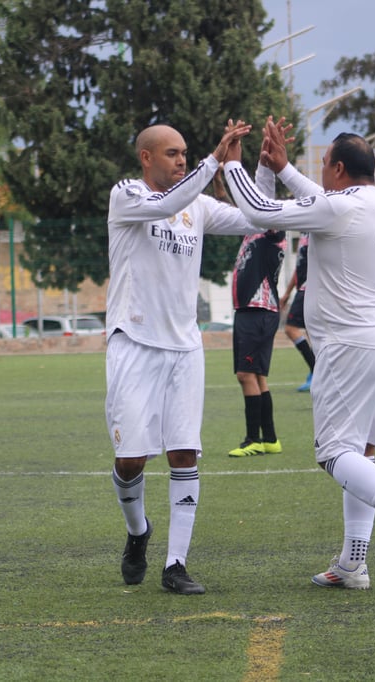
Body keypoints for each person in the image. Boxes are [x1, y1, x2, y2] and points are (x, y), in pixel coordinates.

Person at [222, 118, 375, 586]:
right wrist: (283, 168)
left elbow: (261, 212)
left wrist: (233, 165)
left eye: (323, 164)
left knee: (334, 454)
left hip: (352, 345)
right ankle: (353, 563)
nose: (318, 171)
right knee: (360, 452)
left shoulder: (338, 207)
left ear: (339, 169)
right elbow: (324, 203)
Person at [106, 120, 265, 595]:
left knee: (184, 453)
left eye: (186, 153)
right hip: (133, 343)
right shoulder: (127, 195)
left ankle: (175, 564)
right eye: (172, 153)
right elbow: (169, 202)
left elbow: (257, 218)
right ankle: (138, 533)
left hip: (185, 347)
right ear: (146, 158)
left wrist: (263, 170)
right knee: (131, 459)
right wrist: (213, 161)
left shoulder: (195, 203)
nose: (181, 160)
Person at [227, 215, 286, 457]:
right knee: (258, 377)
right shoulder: (251, 231)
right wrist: (220, 182)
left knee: (245, 374)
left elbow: (272, 222)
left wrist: (265, 204)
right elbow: (231, 208)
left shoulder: (271, 234)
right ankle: (270, 439)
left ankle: (253, 439)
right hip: (250, 311)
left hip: (257, 309)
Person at [279, 234, 315, 392]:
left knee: (290, 328)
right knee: (313, 333)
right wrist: (287, 293)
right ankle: (317, 373)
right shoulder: (303, 234)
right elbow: (299, 268)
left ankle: (316, 371)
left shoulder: (314, 229)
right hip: (304, 288)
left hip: (310, 288)